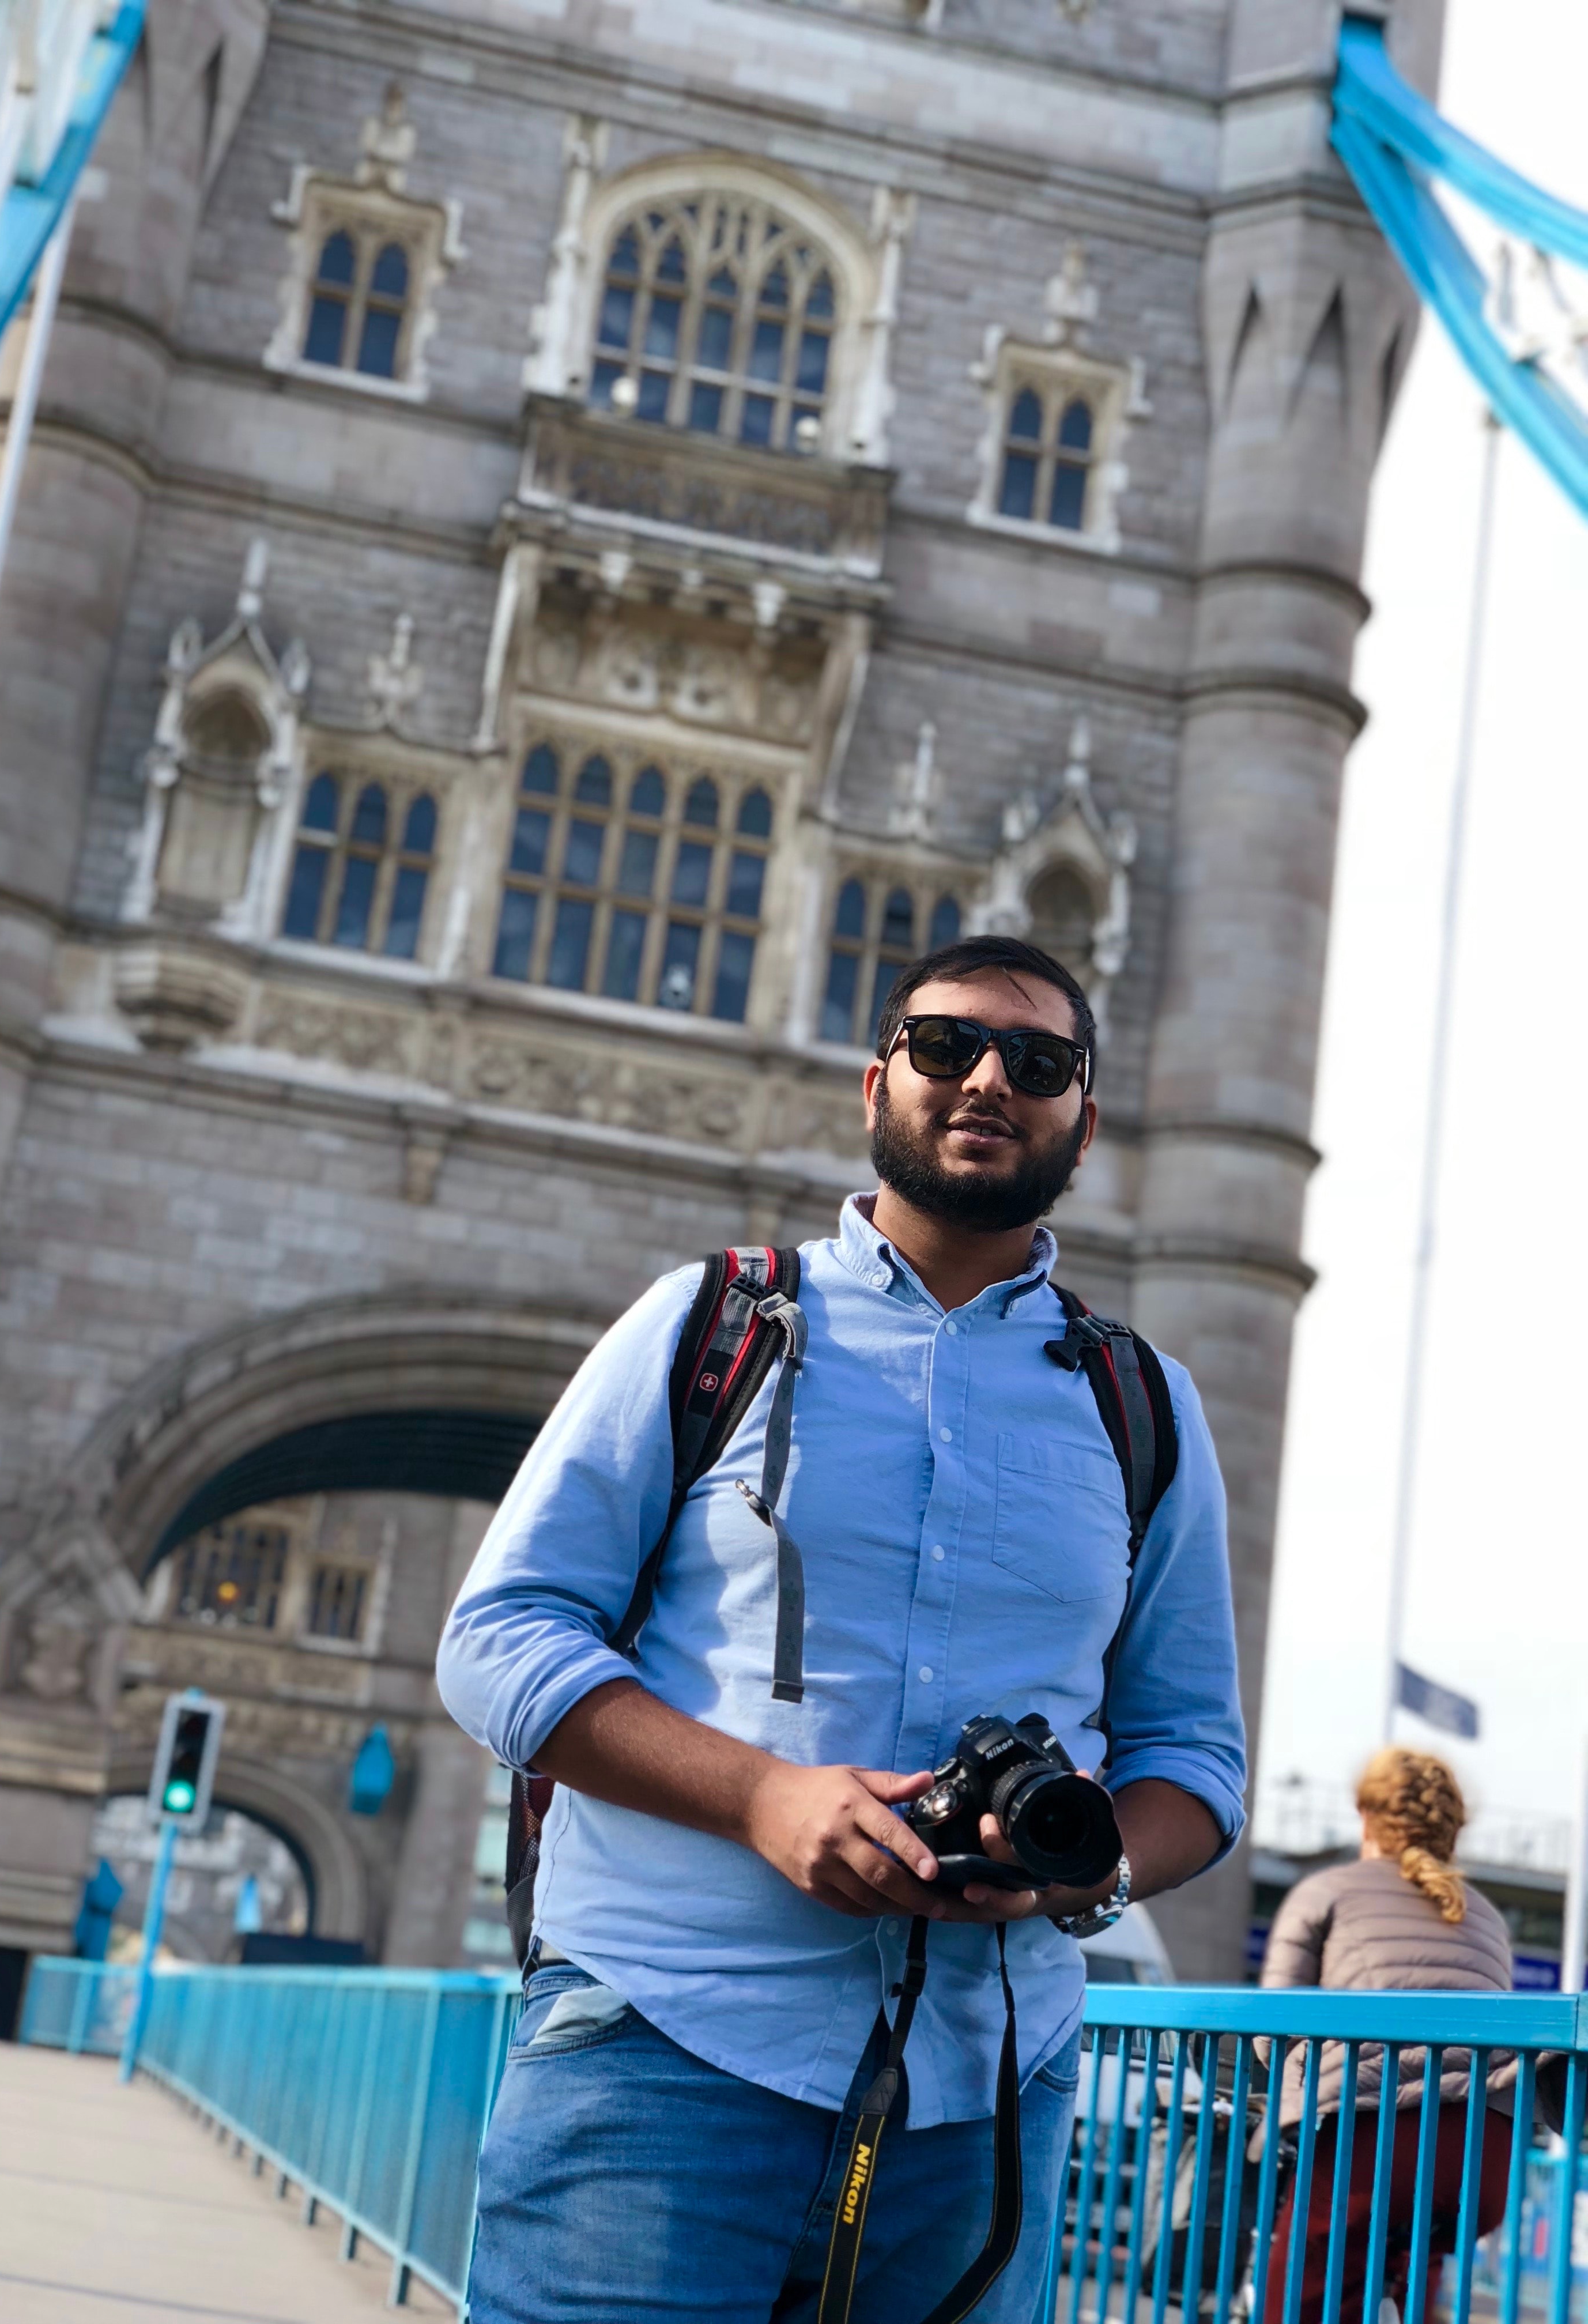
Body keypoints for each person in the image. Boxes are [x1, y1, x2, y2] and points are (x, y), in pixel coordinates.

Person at [439, 931, 1247, 2324]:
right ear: (878, 1083)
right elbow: (500, 1637)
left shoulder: (1147, 1408)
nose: (987, 1080)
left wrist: (1077, 1876)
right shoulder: (708, 1324)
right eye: (945, 1045)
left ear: (1085, 1121)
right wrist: (765, 1798)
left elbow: (1196, 1760)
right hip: (661, 2052)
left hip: (985, 2100)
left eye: (1037, 1062)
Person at [1259, 1748, 1516, 2324]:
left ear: (1367, 1817)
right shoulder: (1485, 1916)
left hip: (1376, 2145)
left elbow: (1275, 2023)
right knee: (1414, 2271)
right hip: (1481, 2158)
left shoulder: (1329, 1890)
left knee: (1294, 2295)